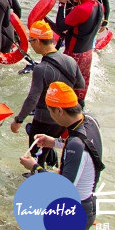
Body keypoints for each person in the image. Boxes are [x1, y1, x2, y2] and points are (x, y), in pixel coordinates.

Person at [18, 83, 103, 230]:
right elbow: (84, 145)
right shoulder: (89, 120)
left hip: (77, 209)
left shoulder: (75, 144)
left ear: (59, 111)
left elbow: (61, 189)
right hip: (86, 201)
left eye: (50, 111)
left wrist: (34, 167)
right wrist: (53, 142)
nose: (50, 115)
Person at [11, 21, 86, 169]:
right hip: (62, 119)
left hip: (43, 118)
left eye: (31, 41)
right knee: (48, 148)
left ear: (38, 41)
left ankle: (36, 183)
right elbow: (80, 84)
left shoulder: (41, 68)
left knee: (34, 158)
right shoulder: (70, 60)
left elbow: (32, 98)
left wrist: (18, 120)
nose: (31, 44)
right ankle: (52, 168)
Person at [54, 0, 103, 103]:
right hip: (87, 52)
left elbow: (61, 26)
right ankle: (80, 109)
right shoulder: (98, 6)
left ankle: (62, 109)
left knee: (65, 84)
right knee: (82, 85)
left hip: (74, 54)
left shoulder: (81, 9)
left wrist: (62, 4)